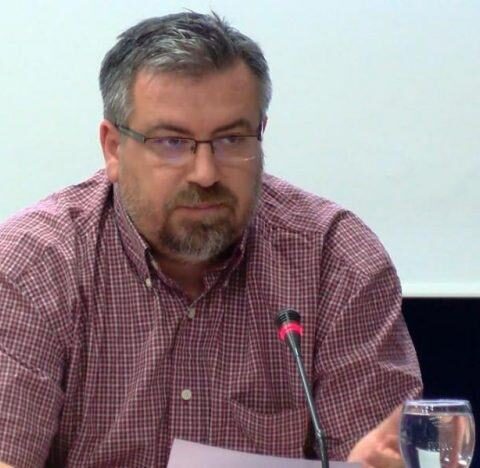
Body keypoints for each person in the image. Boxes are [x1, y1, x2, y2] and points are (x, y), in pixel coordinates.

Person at [0, 11, 421, 467]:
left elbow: (375, 456)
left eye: (231, 140)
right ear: (114, 148)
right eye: (172, 142)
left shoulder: (334, 260)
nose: (205, 173)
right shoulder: (34, 266)